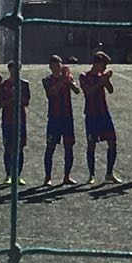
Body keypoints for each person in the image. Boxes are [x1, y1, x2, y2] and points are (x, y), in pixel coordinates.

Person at [80, 51, 120, 184]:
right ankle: (91, 174)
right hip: (91, 114)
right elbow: (88, 92)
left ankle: (109, 173)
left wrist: (106, 79)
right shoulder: (84, 76)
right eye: (103, 65)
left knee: (112, 142)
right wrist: (101, 81)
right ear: (97, 64)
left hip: (104, 113)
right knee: (91, 144)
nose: (104, 68)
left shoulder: (101, 76)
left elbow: (111, 90)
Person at [41, 55, 81, 186]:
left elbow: (76, 91)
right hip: (54, 117)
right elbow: (51, 93)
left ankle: (67, 176)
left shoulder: (67, 78)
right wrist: (62, 80)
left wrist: (68, 80)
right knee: (50, 147)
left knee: (69, 147)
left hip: (67, 117)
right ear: (50, 67)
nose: (56, 67)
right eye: (54, 65)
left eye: (58, 64)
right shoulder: (47, 80)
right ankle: (47, 177)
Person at [0, 61, 32, 185]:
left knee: (20, 148)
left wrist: (18, 97)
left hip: (20, 120)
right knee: (8, 148)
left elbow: (26, 102)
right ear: (9, 70)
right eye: (12, 69)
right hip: (7, 120)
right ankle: (8, 175)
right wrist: (11, 98)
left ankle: (18, 175)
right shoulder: (3, 85)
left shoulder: (24, 84)